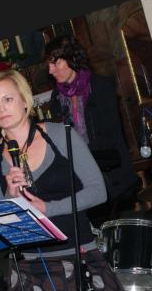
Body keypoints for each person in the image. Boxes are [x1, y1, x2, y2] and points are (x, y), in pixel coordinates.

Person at [0, 69, 125, 291]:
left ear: (25, 100)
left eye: (7, 99)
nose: (1, 108)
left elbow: (98, 191)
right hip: (29, 266)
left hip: (79, 253)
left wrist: (48, 208)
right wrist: (10, 195)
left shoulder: (61, 135)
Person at [44, 35, 141, 225]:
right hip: (78, 177)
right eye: (48, 65)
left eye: (55, 63)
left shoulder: (100, 86)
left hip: (110, 173)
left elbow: (112, 135)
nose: (50, 70)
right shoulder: (57, 97)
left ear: (71, 58)